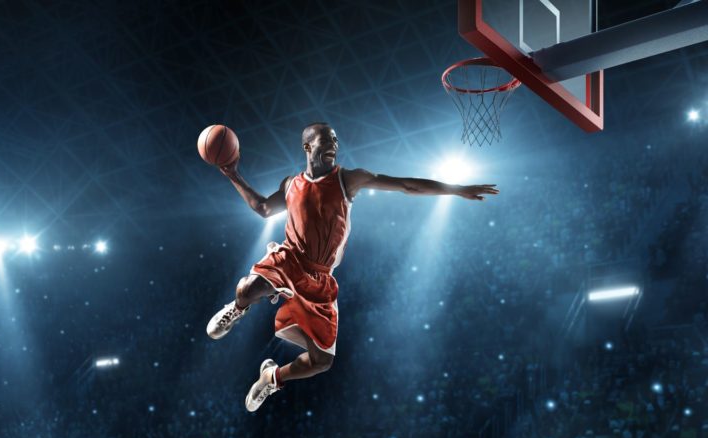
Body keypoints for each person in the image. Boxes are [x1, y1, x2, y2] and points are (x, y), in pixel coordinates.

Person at [207, 122, 498, 411]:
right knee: (249, 288)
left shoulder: (349, 179)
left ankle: (271, 378)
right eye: (325, 141)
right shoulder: (291, 184)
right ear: (308, 147)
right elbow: (263, 209)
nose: (333, 146)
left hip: (320, 277)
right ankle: (236, 309)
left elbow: (406, 185)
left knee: (322, 362)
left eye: (335, 140)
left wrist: (457, 190)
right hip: (291, 258)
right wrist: (233, 175)